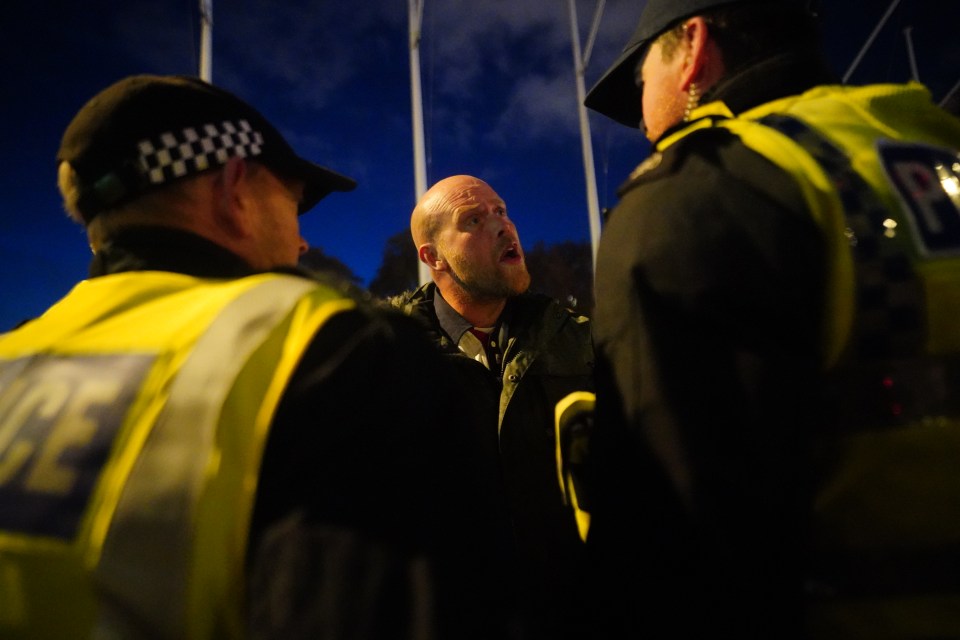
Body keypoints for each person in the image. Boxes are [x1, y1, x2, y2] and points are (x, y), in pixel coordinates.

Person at [0, 75, 502, 640]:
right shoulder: (336, 347)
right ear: (233, 190)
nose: (302, 240)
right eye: (292, 202)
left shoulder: (14, 354)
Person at [581, 0, 960, 637]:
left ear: (693, 49)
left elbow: (680, 555)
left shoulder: (701, 193)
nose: (643, 120)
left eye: (644, 81)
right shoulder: (931, 141)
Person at [391, 175, 595, 639]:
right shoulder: (385, 356)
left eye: (502, 211)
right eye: (474, 220)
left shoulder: (577, 339)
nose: (504, 226)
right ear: (433, 257)